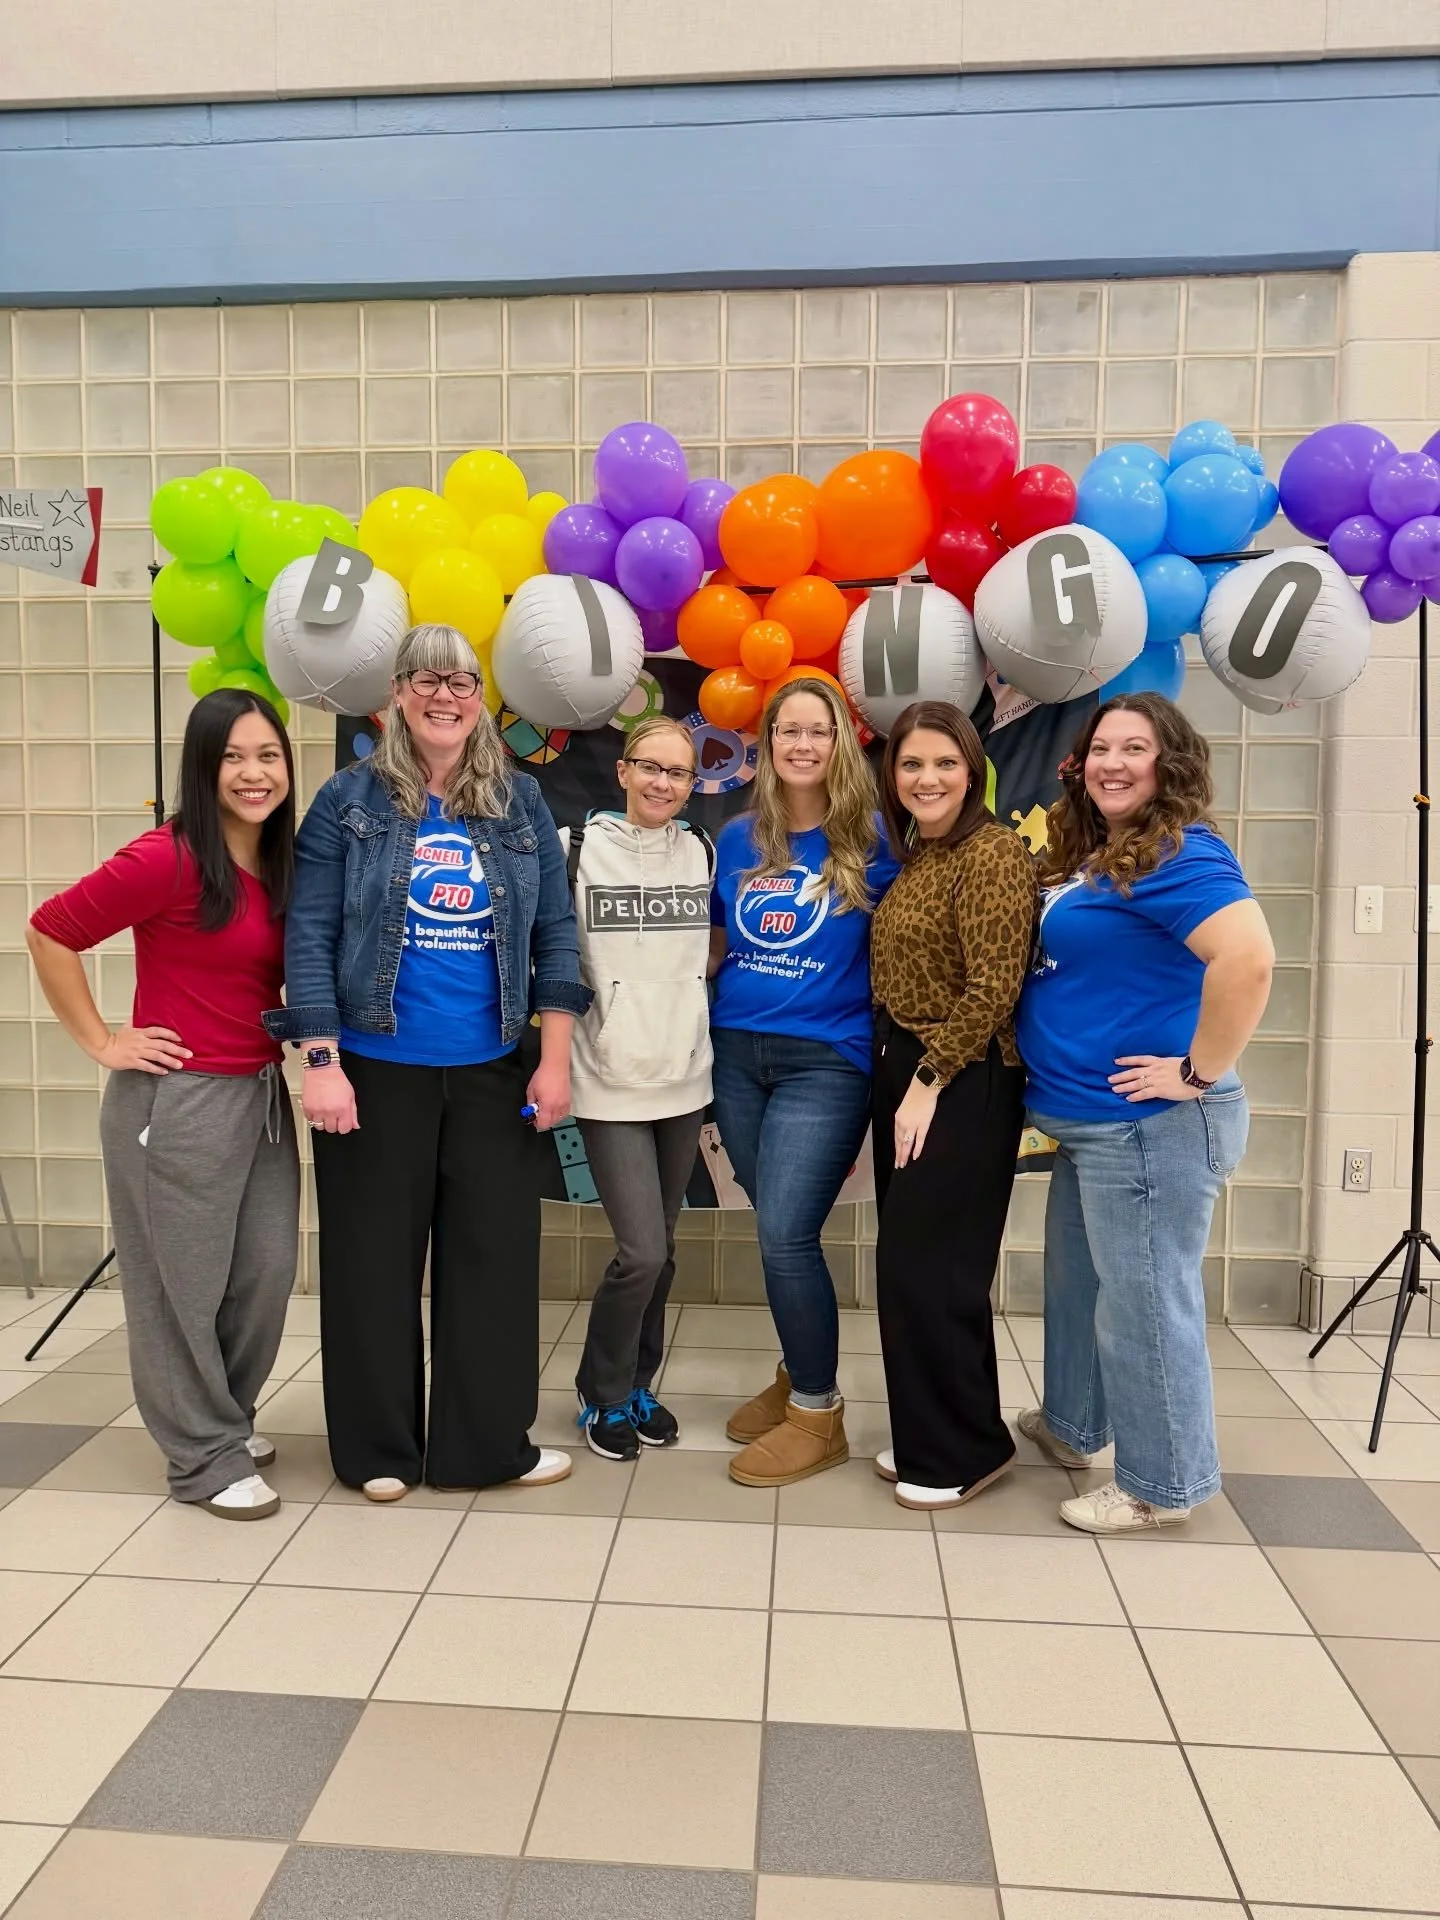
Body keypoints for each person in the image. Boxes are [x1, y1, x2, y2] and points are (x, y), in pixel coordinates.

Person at [271, 624, 590, 1501]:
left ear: (480, 695)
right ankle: (378, 1452)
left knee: (493, 1262)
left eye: (462, 679)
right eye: (427, 678)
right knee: (371, 1263)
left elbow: (556, 937)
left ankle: (485, 1448)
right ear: (397, 695)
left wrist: (553, 1059)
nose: (444, 695)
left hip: (491, 1069)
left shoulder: (520, 803)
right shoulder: (348, 800)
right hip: (373, 1072)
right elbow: (311, 934)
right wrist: (322, 1059)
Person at [27, 689, 298, 1521]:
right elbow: (50, 930)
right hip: (174, 1103)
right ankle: (201, 1457)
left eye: (269, 756)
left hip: (259, 1094)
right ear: (203, 767)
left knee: (263, 1275)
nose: (254, 774)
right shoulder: (168, 856)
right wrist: (103, 1040)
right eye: (233, 758)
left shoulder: (280, 860)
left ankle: (222, 1418)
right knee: (176, 1287)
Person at [1015, 692, 1274, 1534]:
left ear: (1170, 764)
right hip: (1091, 1127)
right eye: (1100, 748)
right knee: (1079, 1283)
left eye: (1135, 748)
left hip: (1148, 1129)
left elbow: (1248, 960)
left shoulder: (1178, 851)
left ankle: (1161, 1485)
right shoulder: (1107, 855)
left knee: (1146, 1303)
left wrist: (1198, 1073)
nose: (1112, 763)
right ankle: (1072, 1425)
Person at [710, 675, 900, 1488]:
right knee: (772, 1224)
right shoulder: (736, 838)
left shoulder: (876, 839)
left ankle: (819, 1412)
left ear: (841, 741)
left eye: (817, 730)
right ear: (766, 742)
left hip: (827, 1059)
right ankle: (797, 1370)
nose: (801, 744)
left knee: (786, 1232)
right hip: (735, 1054)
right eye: (786, 730)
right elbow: (718, 946)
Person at [868, 701, 1038, 1510]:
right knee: (919, 1270)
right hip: (910, 1067)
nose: (926, 778)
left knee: (929, 1269)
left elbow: (994, 987)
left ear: (972, 769)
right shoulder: (921, 855)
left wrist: (928, 1083)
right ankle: (949, 1431)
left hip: (964, 1076)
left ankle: (956, 1453)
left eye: (943, 763)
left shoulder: (993, 853)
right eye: (910, 765)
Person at [562, 716, 713, 1462]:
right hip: (607, 1079)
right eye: (650, 768)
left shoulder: (703, 850)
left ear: (693, 785)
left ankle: (636, 1384)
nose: (663, 784)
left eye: (679, 774)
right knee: (641, 1251)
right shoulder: (578, 850)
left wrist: (681, 1005)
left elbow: (710, 946)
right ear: (622, 772)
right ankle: (601, 1389)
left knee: (666, 1248)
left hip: (685, 1078)